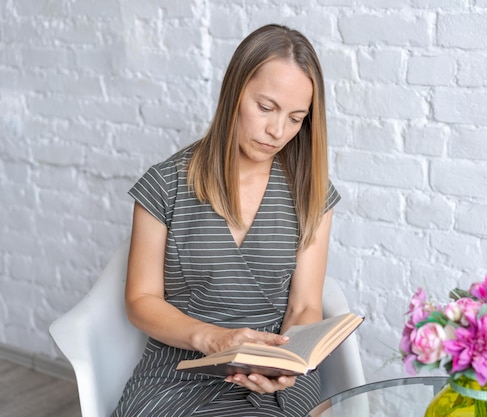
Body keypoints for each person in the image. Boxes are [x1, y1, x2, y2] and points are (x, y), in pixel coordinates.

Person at [110, 24, 340, 417]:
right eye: (266, 107)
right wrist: (215, 339)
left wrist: (288, 364)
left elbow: (304, 307)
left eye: (296, 118)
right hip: (178, 369)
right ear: (233, 92)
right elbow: (140, 301)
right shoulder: (164, 185)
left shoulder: (310, 191)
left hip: (272, 372)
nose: (277, 131)